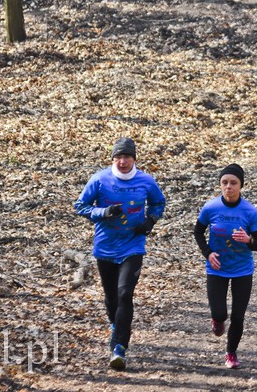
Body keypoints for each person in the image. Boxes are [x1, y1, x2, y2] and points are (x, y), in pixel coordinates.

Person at [74, 137, 166, 371]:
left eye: (127, 157)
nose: (122, 161)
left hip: (132, 246)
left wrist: (149, 222)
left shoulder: (146, 180)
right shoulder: (100, 179)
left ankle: (119, 348)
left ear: (134, 158)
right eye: (118, 157)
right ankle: (117, 327)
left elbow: (158, 203)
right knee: (111, 298)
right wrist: (103, 212)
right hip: (105, 247)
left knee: (125, 294)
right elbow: (80, 206)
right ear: (113, 158)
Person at [193, 164, 257, 370]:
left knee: (238, 316)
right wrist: (208, 253)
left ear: (241, 185)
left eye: (233, 183)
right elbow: (198, 232)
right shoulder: (211, 208)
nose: (228, 187)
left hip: (242, 269)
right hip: (217, 268)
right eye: (224, 183)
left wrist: (248, 239)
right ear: (220, 185)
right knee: (220, 313)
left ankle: (231, 353)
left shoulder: (250, 211)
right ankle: (217, 319)